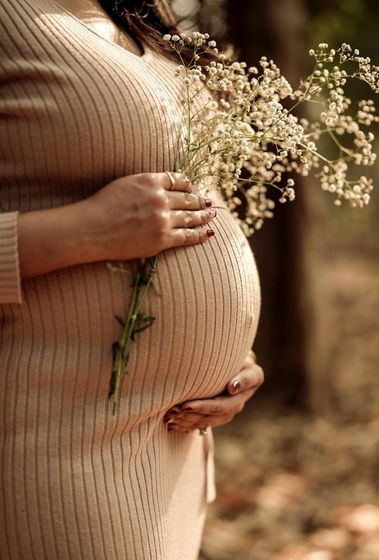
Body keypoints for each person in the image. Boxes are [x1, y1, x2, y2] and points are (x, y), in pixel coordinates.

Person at [0, 0, 263, 558]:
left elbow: (197, 199)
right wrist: (84, 230)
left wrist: (233, 348)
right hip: (59, 445)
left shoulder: (136, 16)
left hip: (175, 451)